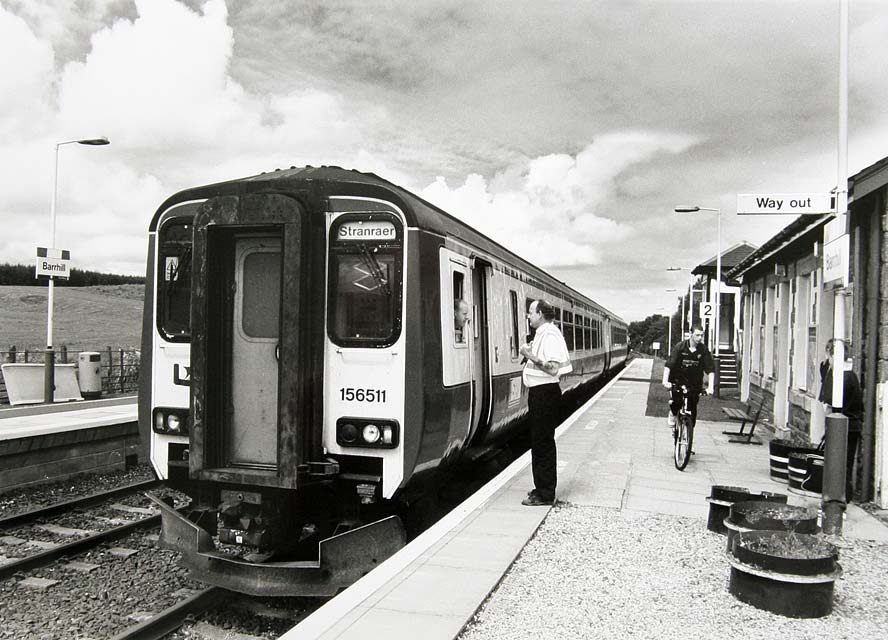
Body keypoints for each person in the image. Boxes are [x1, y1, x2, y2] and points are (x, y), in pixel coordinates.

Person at [519, 299, 572, 506]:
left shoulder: (550, 334)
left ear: (540, 313)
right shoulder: (544, 333)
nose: (528, 316)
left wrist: (529, 355)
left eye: (531, 312)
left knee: (543, 443)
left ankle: (545, 493)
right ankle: (541, 487)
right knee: (540, 442)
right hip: (540, 393)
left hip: (545, 393)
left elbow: (552, 368)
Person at [818, 339, 863, 501]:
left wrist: (826, 376)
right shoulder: (851, 376)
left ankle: (838, 500)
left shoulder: (840, 379)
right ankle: (842, 498)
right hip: (853, 426)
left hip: (842, 427)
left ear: (832, 354)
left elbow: (827, 403)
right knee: (845, 465)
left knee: (837, 466)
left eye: (828, 355)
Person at [662, 325, 715, 430]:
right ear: (691, 334)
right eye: (697, 335)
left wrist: (711, 387)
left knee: (693, 407)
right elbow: (669, 366)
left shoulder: (703, 350)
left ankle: (689, 432)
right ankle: (673, 414)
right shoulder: (680, 347)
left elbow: (710, 370)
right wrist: (665, 381)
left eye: (701, 335)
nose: (700, 338)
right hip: (678, 379)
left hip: (694, 381)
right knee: (676, 401)